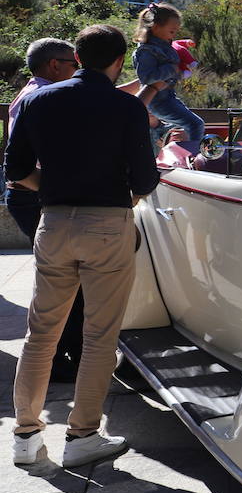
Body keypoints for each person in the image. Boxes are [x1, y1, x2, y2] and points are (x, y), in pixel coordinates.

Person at [7, 24, 160, 467]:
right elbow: (146, 177)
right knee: (98, 336)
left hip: (52, 222)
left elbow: (15, 168)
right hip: (108, 224)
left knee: (41, 334)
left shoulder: (36, 99)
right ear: (119, 62)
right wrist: (124, 197)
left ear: (77, 54)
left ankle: (25, 437)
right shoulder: (125, 106)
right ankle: (83, 436)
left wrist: (51, 188)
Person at [5, 39, 84, 381]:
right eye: (73, 64)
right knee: (65, 284)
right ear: (54, 65)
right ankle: (61, 360)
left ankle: (63, 358)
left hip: (29, 196)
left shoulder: (35, 94)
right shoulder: (39, 99)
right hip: (32, 196)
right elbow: (21, 165)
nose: (76, 70)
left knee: (62, 281)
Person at [132, 2, 205, 154]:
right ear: (156, 27)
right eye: (172, 31)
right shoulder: (146, 51)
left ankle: (186, 152)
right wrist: (172, 69)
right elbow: (147, 77)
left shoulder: (164, 45)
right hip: (158, 101)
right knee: (195, 124)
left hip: (168, 97)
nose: (174, 35)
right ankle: (195, 158)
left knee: (190, 125)